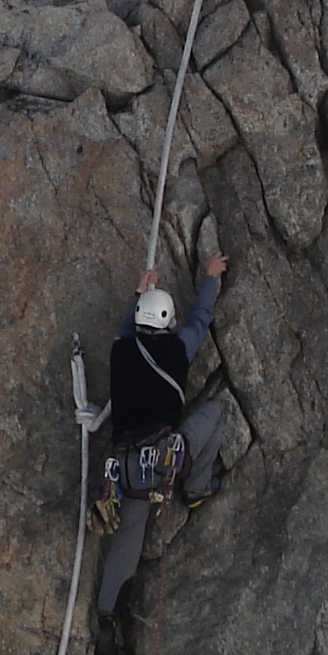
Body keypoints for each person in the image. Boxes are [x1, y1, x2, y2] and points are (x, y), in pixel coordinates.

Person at [92, 252, 228, 621]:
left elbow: (125, 329)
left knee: (126, 545)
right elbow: (201, 318)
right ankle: (197, 489)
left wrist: (138, 294)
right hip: (168, 455)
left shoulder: (121, 350)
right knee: (215, 413)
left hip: (131, 467)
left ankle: (107, 615)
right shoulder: (177, 349)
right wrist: (211, 277)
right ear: (168, 322)